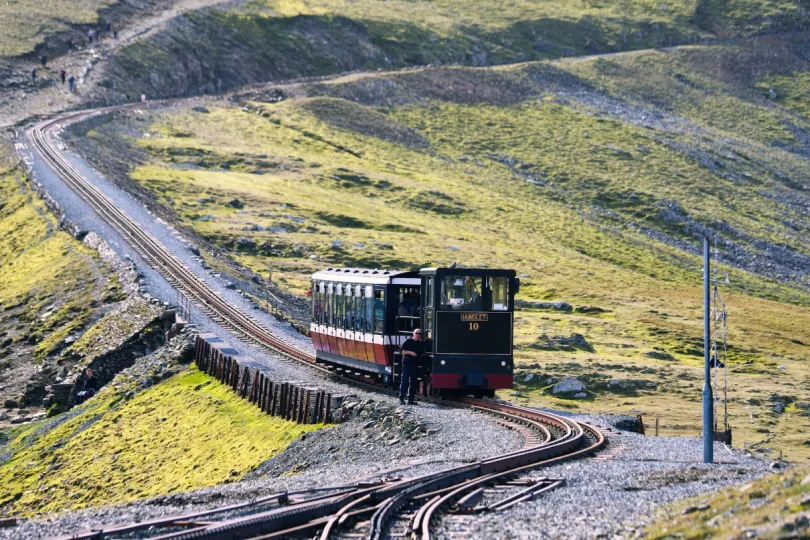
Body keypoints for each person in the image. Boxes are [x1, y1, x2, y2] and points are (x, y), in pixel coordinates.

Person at [399, 328, 425, 405]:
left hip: (415, 365)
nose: (418, 335)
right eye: (417, 333)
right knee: (404, 382)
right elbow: (402, 351)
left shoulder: (421, 344)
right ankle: (401, 399)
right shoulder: (408, 341)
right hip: (407, 364)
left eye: (420, 334)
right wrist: (410, 352)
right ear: (413, 334)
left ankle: (411, 400)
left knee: (413, 383)